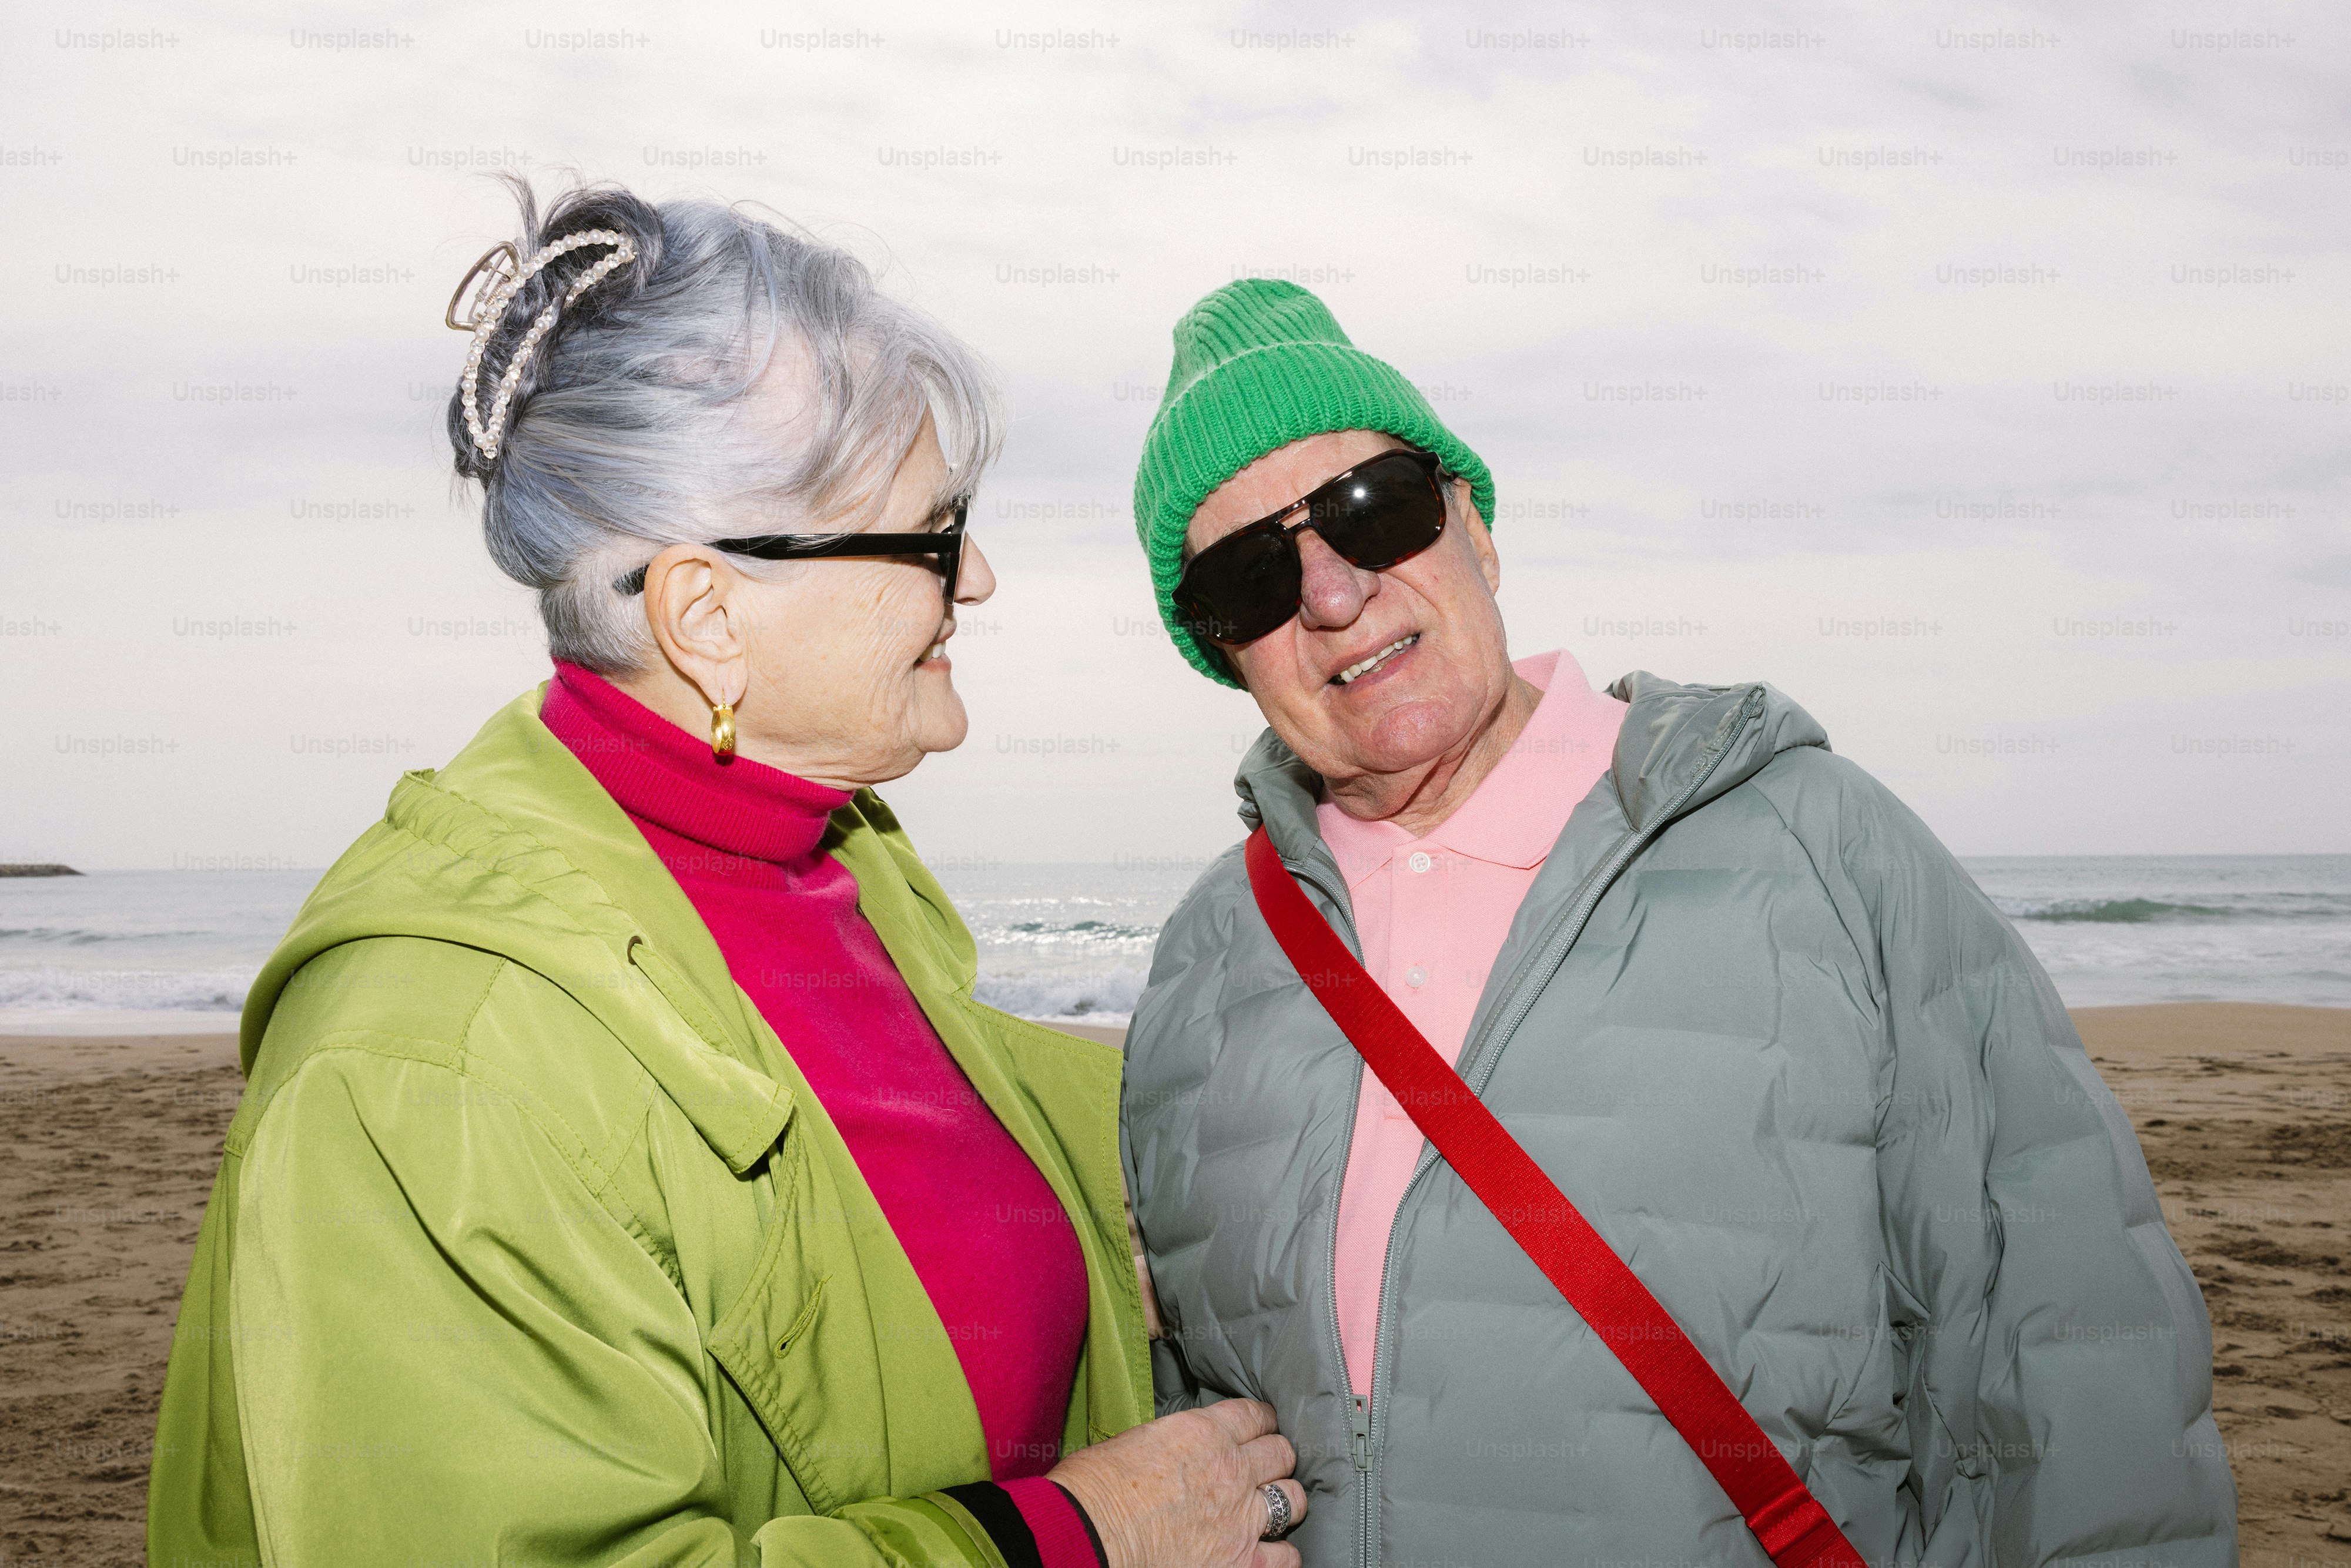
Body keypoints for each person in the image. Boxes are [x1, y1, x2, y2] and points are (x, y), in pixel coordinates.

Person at [147, 182, 1305, 1568]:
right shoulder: (426, 1075)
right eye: (933, 535)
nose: (979, 577)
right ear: (707, 612)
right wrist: (1071, 1536)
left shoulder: (846, 871)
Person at [1119, 279, 2238, 1566]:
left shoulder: (1813, 842)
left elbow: (2066, 1343)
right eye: (1251, 572)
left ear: (1472, 528)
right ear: (1225, 652)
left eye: (1375, 509)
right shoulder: (1210, 957)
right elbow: (1181, 1411)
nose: (1329, 590)